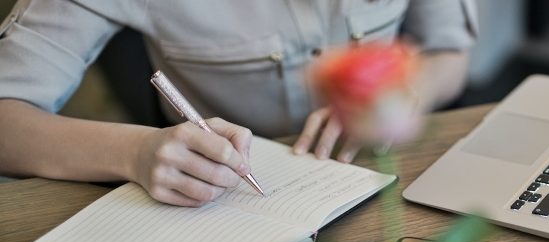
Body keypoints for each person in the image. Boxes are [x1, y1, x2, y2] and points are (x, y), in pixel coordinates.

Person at [0, 0, 477, 206]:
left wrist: (407, 97)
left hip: (383, 177)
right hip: (218, 199)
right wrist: (134, 152)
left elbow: (450, 53)